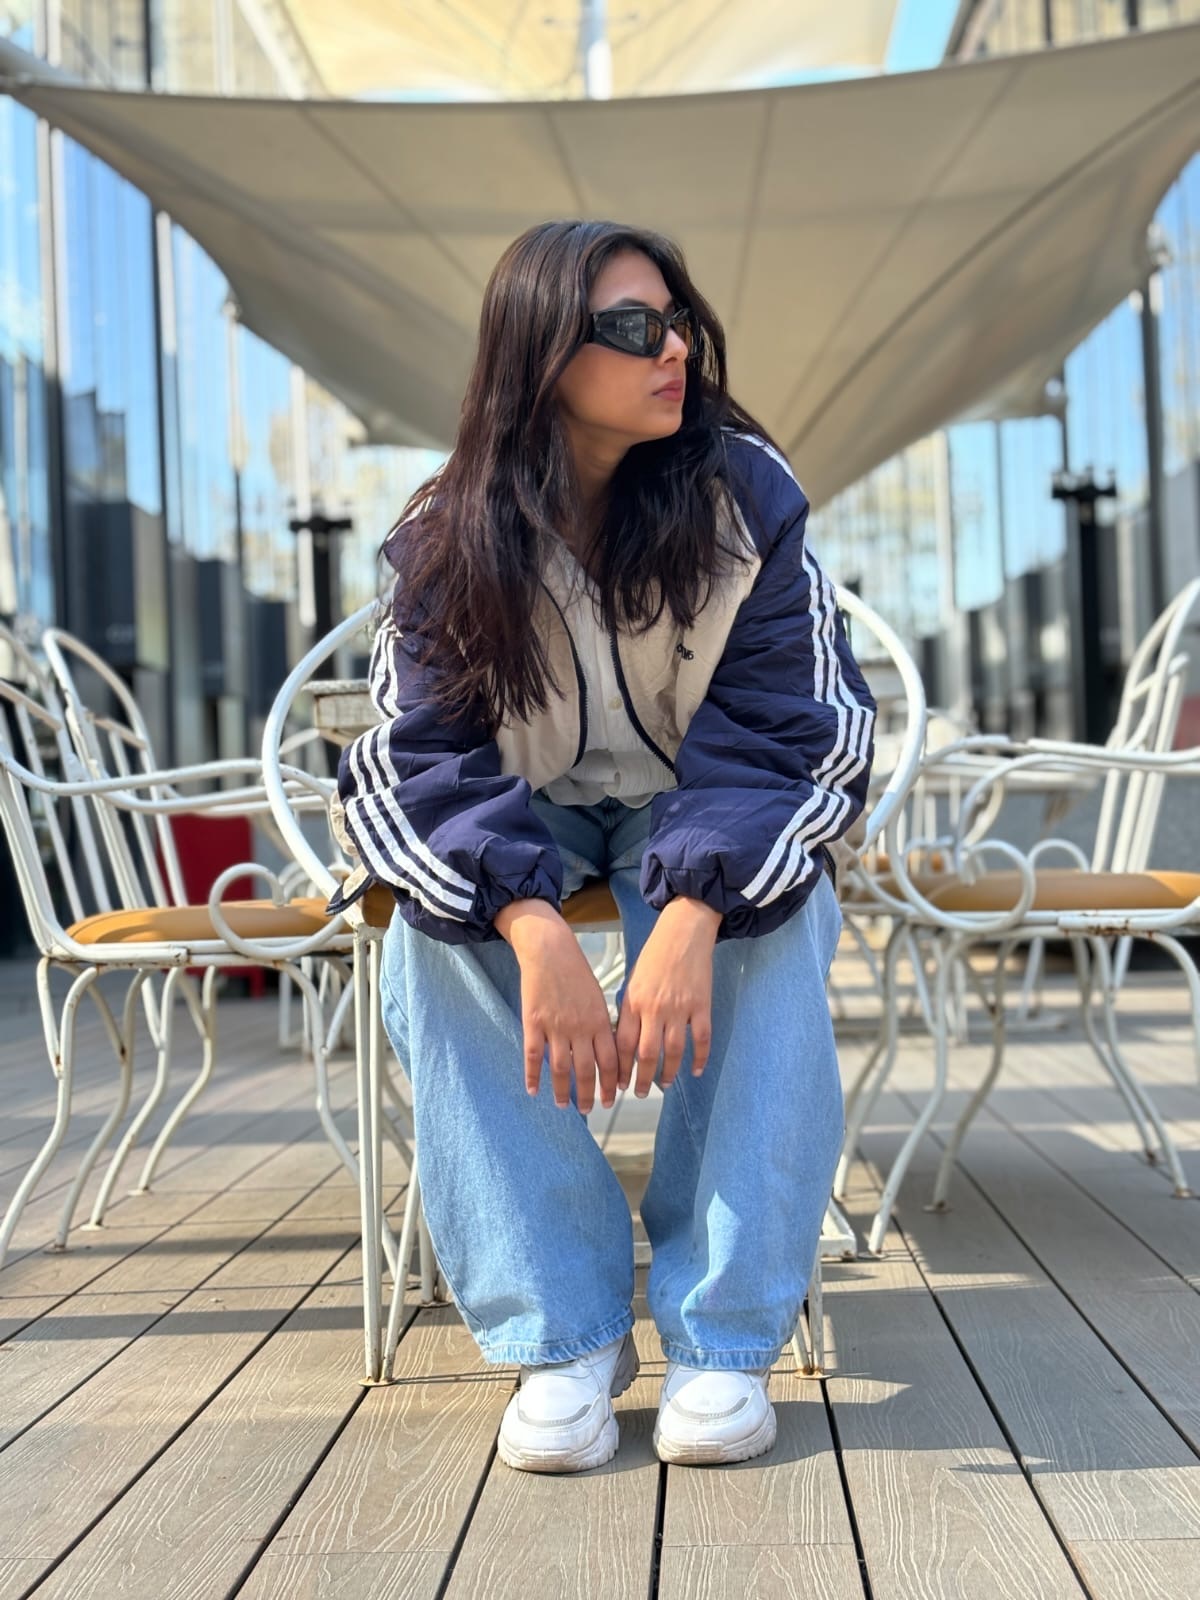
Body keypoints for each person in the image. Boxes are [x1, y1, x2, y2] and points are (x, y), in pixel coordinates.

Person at [328, 218, 876, 1474]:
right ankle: (562, 1331)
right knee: (433, 934)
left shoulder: (745, 498)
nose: (673, 348)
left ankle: (723, 1338)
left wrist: (690, 914)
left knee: (775, 917)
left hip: (697, 798)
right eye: (633, 327)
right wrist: (529, 926)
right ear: (541, 353)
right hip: (527, 806)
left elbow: (796, 734)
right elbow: (417, 766)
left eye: (677, 320)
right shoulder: (449, 534)